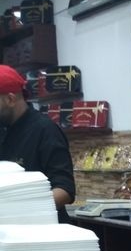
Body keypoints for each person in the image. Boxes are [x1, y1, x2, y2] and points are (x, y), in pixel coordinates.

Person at [0, 64, 75, 222]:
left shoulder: (45, 130)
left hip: (42, 230)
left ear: (10, 99)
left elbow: (65, 190)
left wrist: (19, 211)